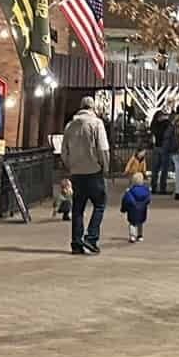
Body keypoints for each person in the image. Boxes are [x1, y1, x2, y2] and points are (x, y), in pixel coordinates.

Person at [62, 101, 110, 255]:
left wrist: (70, 166)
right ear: (92, 108)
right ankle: (91, 237)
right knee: (99, 205)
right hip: (93, 170)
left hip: (76, 172)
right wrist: (105, 166)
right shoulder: (97, 124)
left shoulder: (70, 126)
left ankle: (76, 243)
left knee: (77, 209)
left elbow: (64, 150)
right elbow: (103, 148)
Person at [121, 172, 151, 243]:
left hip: (132, 210)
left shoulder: (130, 191)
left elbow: (126, 200)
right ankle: (140, 235)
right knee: (140, 223)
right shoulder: (146, 190)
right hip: (142, 210)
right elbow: (148, 200)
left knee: (132, 223)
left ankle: (132, 236)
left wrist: (123, 209)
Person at [148, 108, 172, 194]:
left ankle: (154, 187)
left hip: (157, 147)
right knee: (163, 169)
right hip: (163, 148)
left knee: (155, 169)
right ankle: (162, 188)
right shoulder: (167, 124)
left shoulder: (154, 124)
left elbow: (153, 134)